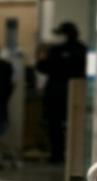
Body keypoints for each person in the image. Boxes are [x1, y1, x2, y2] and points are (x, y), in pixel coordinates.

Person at [37, 22, 87, 163]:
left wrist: (42, 58)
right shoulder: (82, 49)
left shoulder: (56, 50)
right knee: (76, 126)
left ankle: (57, 154)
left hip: (56, 93)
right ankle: (75, 156)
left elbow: (44, 67)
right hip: (76, 93)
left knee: (55, 126)